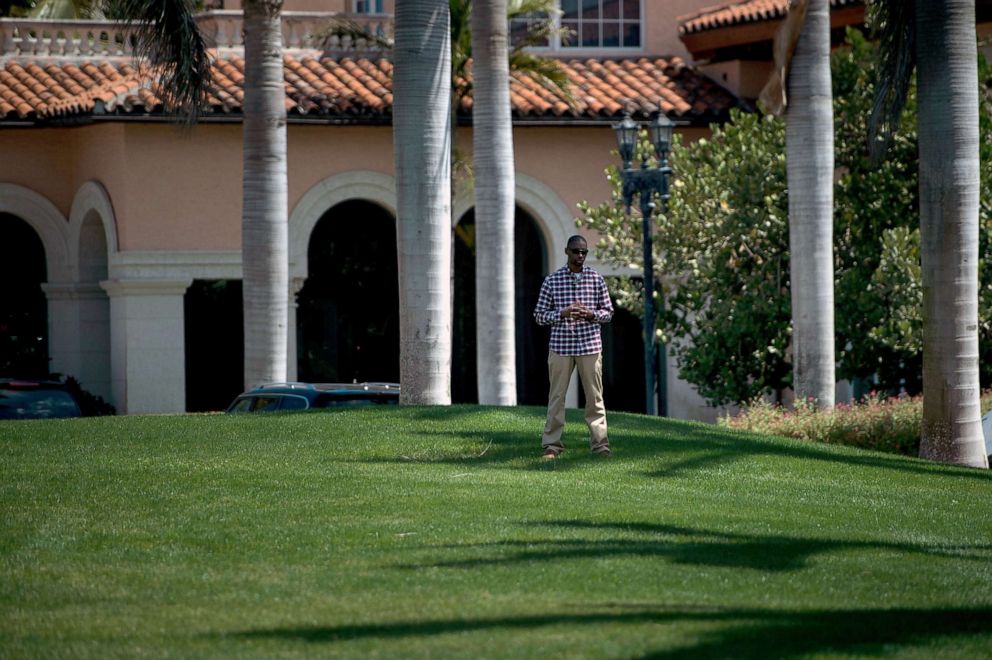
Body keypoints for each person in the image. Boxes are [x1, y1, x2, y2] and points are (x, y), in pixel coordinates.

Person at [533, 235, 614, 459]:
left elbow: (608, 313)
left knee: (595, 398)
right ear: (566, 251)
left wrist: (591, 314)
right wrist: (562, 313)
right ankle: (552, 445)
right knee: (557, 397)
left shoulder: (596, 279)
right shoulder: (552, 280)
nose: (580, 256)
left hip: (590, 346)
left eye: (584, 252)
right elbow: (539, 315)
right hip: (561, 346)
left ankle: (600, 446)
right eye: (576, 251)